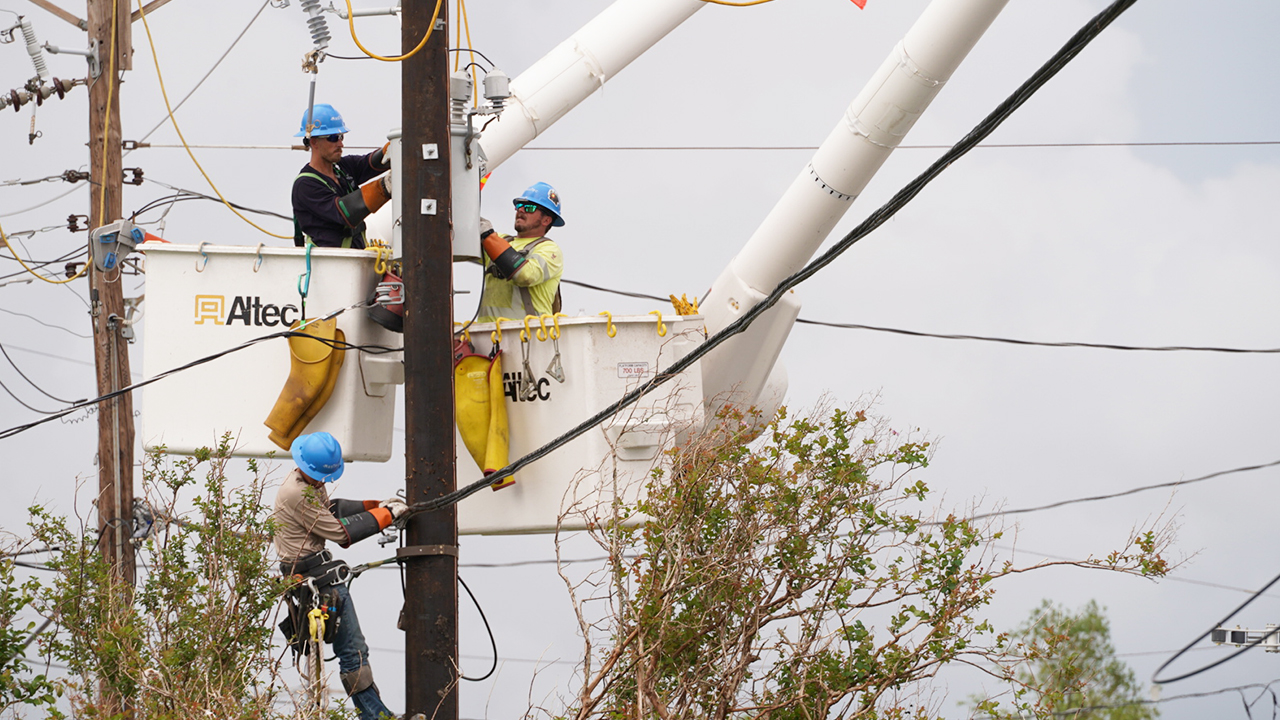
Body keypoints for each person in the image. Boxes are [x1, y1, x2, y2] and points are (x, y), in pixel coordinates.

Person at [273, 431, 409, 720]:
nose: (323, 482)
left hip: (315, 577)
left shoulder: (306, 482)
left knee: (353, 650)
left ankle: (376, 714)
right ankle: (375, 716)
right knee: (353, 651)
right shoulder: (296, 493)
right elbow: (340, 533)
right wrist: (387, 515)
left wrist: (372, 506)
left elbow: (330, 510)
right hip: (316, 583)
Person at [291, 103, 392, 249]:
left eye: (341, 136)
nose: (340, 144)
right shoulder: (306, 185)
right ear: (314, 142)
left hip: (357, 258)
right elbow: (345, 213)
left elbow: (373, 162)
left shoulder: (343, 168)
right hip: (333, 264)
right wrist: (384, 187)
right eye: (333, 138)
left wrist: (398, 147)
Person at [477, 182, 566, 323]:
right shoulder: (499, 241)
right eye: (519, 206)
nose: (521, 210)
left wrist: (487, 235)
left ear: (546, 220)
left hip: (528, 338)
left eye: (529, 208)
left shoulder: (549, 250)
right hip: (485, 336)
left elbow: (525, 275)